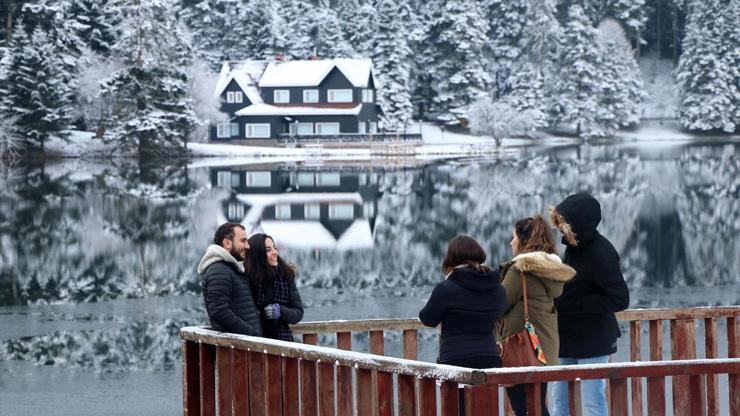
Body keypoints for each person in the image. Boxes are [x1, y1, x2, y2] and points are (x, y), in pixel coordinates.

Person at [549, 193, 630, 416]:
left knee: (593, 403)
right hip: (566, 335)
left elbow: (620, 298)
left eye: (563, 223)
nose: (560, 228)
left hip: (593, 339)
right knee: (559, 401)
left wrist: (577, 305)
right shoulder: (573, 247)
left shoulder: (602, 253)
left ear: (578, 224)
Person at [419, 235, 507, 414]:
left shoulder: (446, 288)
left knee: (457, 409)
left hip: (456, 359)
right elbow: (500, 311)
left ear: (451, 258)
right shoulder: (498, 288)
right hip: (489, 357)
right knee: (485, 409)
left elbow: (427, 318)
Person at [497, 216, 576, 416]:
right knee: (536, 405)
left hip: (521, 348)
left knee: (525, 408)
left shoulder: (520, 270)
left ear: (524, 241)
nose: (510, 242)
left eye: (513, 237)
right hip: (542, 349)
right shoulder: (549, 271)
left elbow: (499, 303)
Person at [197, 223, 262, 336]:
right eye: (243, 241)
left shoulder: (231, 268)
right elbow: (219, 311)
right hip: (236, 347)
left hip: (243, 346)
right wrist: (251, 334)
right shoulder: (219, 270)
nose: (248, 246)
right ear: (227, 243)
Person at [245, 233, 304, 342]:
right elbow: (246, 312)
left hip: (283, 341)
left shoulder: (286, 275)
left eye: (275, 248)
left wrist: (280, 311)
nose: (275, 252)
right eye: (268, 250)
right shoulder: (246, 278)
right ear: (257, 254)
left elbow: (298, 312)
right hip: (255, 341)